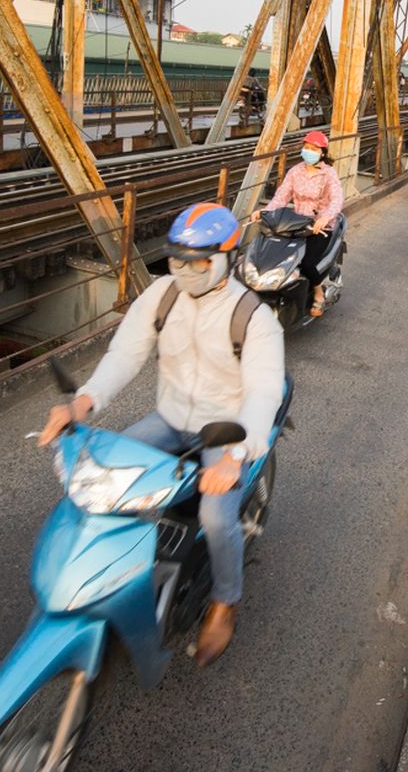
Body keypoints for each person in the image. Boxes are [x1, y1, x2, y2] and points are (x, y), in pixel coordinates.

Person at [37, 203, 285, 667]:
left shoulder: (254, 319)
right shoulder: (160, 297)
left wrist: (237, 455)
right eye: (177, 260)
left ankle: (224, 601)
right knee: (98, 474)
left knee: (214, 516)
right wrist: (83, 402)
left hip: (224, 432)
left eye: (200, 262)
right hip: (170, 419)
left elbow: (263, 392)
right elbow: (124, 355)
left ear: (227, 257)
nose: (186, 271)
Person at [256, 130, 343, 315]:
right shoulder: (295, 171)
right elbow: (281, 196)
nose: (309, 151)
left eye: (314, 148)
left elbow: (337, 200)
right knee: (274, 255)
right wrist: (265, 211)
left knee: (307, 262)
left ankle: (318, 294)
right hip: (295, 224)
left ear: (322, 153)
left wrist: (325, 218)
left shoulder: (329, 174)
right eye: (306, 147)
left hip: (319, 226)